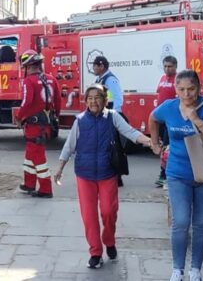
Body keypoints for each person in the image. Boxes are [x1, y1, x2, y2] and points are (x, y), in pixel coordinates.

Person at [53, 84, 151, 269]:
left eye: (97, 97)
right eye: (89, 98)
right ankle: (95, 252)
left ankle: (109, 240)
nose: (93, 101)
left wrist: (149, 141)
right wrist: (60, 167)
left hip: (107, 173)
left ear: (105, 100)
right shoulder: (80, 120)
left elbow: (130, 132)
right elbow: (69, 145)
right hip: (84, 174)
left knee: (108, 212)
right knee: (89, 217)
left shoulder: (112, 117)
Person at [148, 70, 203, 281]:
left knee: (202, 224)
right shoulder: (169, 107)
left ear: (199, 88)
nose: (186, 94)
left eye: (191, 89)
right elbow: (153, 118)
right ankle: (177, 270)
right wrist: (155, 143)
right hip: (177, 173)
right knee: (180, 222)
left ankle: (196, 270)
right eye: (181, 89)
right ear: (175, 89)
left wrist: (197, 120)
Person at [14, 50, 61, 198]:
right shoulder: (52, 79)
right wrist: (55, 117)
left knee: (38, 158)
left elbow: (26, 102)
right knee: (30, 154)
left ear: (28, 67)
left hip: (34, 126)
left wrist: (19, 117)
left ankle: (46, 189)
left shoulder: (29, 81)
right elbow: (58, 102)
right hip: (46, 124)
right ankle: (29, 183)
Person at [93, 56, 126, 187]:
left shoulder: (110, 79)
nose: (93, 68)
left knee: (114, 148)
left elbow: (118, 99)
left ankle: (117, 176)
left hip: (110, 116)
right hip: (103, 116)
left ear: (102, 66)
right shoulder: (99, 79)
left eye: (95, 66)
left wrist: (114, 117)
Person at [155, 56, 178, 188]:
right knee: (163, 146)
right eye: (165, 66)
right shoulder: (163, 79)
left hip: (171, 119)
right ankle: (163, 174)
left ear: (175, 66)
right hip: (161, 119)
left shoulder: (178, 80)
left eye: (169, 66)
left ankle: (165, 175)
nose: (167, 68)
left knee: (168, 147)